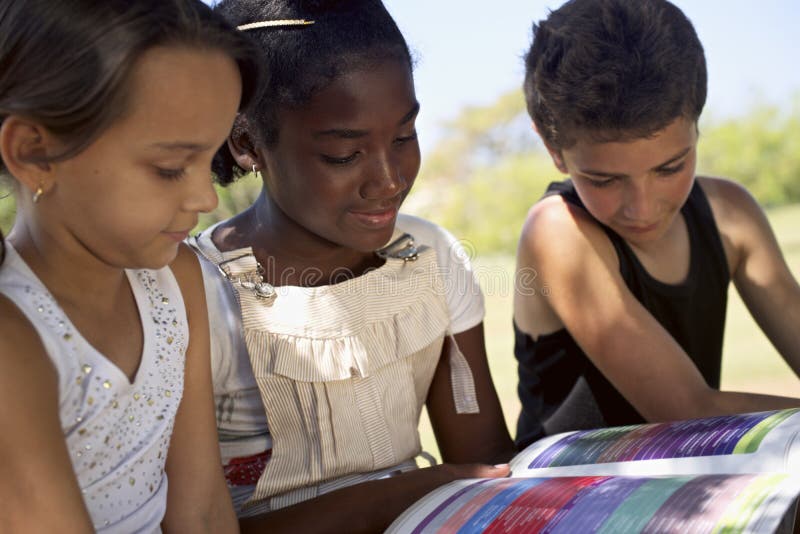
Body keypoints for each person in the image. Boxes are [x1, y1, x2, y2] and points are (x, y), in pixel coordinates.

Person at [188, 0, 516, 531]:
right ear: (248, 143)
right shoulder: (197, 294)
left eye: (405, 136)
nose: (388, 181)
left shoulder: (429, 257)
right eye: (344, 155)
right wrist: (400, 495)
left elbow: (487, 475)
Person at [0, 0, 261, 531]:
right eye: (169, 169)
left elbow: (203, 510)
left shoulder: (175, 280)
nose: (204, 198)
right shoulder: (14, 341)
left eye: (209, 160)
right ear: (34, 153)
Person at [513, 0, 800, 449]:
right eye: (605, 179)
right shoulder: (558, 230)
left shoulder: (731, 214)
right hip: (565, 494)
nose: (641, 208)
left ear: (697, 128)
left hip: (691, 469)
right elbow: (686, 409)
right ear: (553, 149)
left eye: (670, 168)